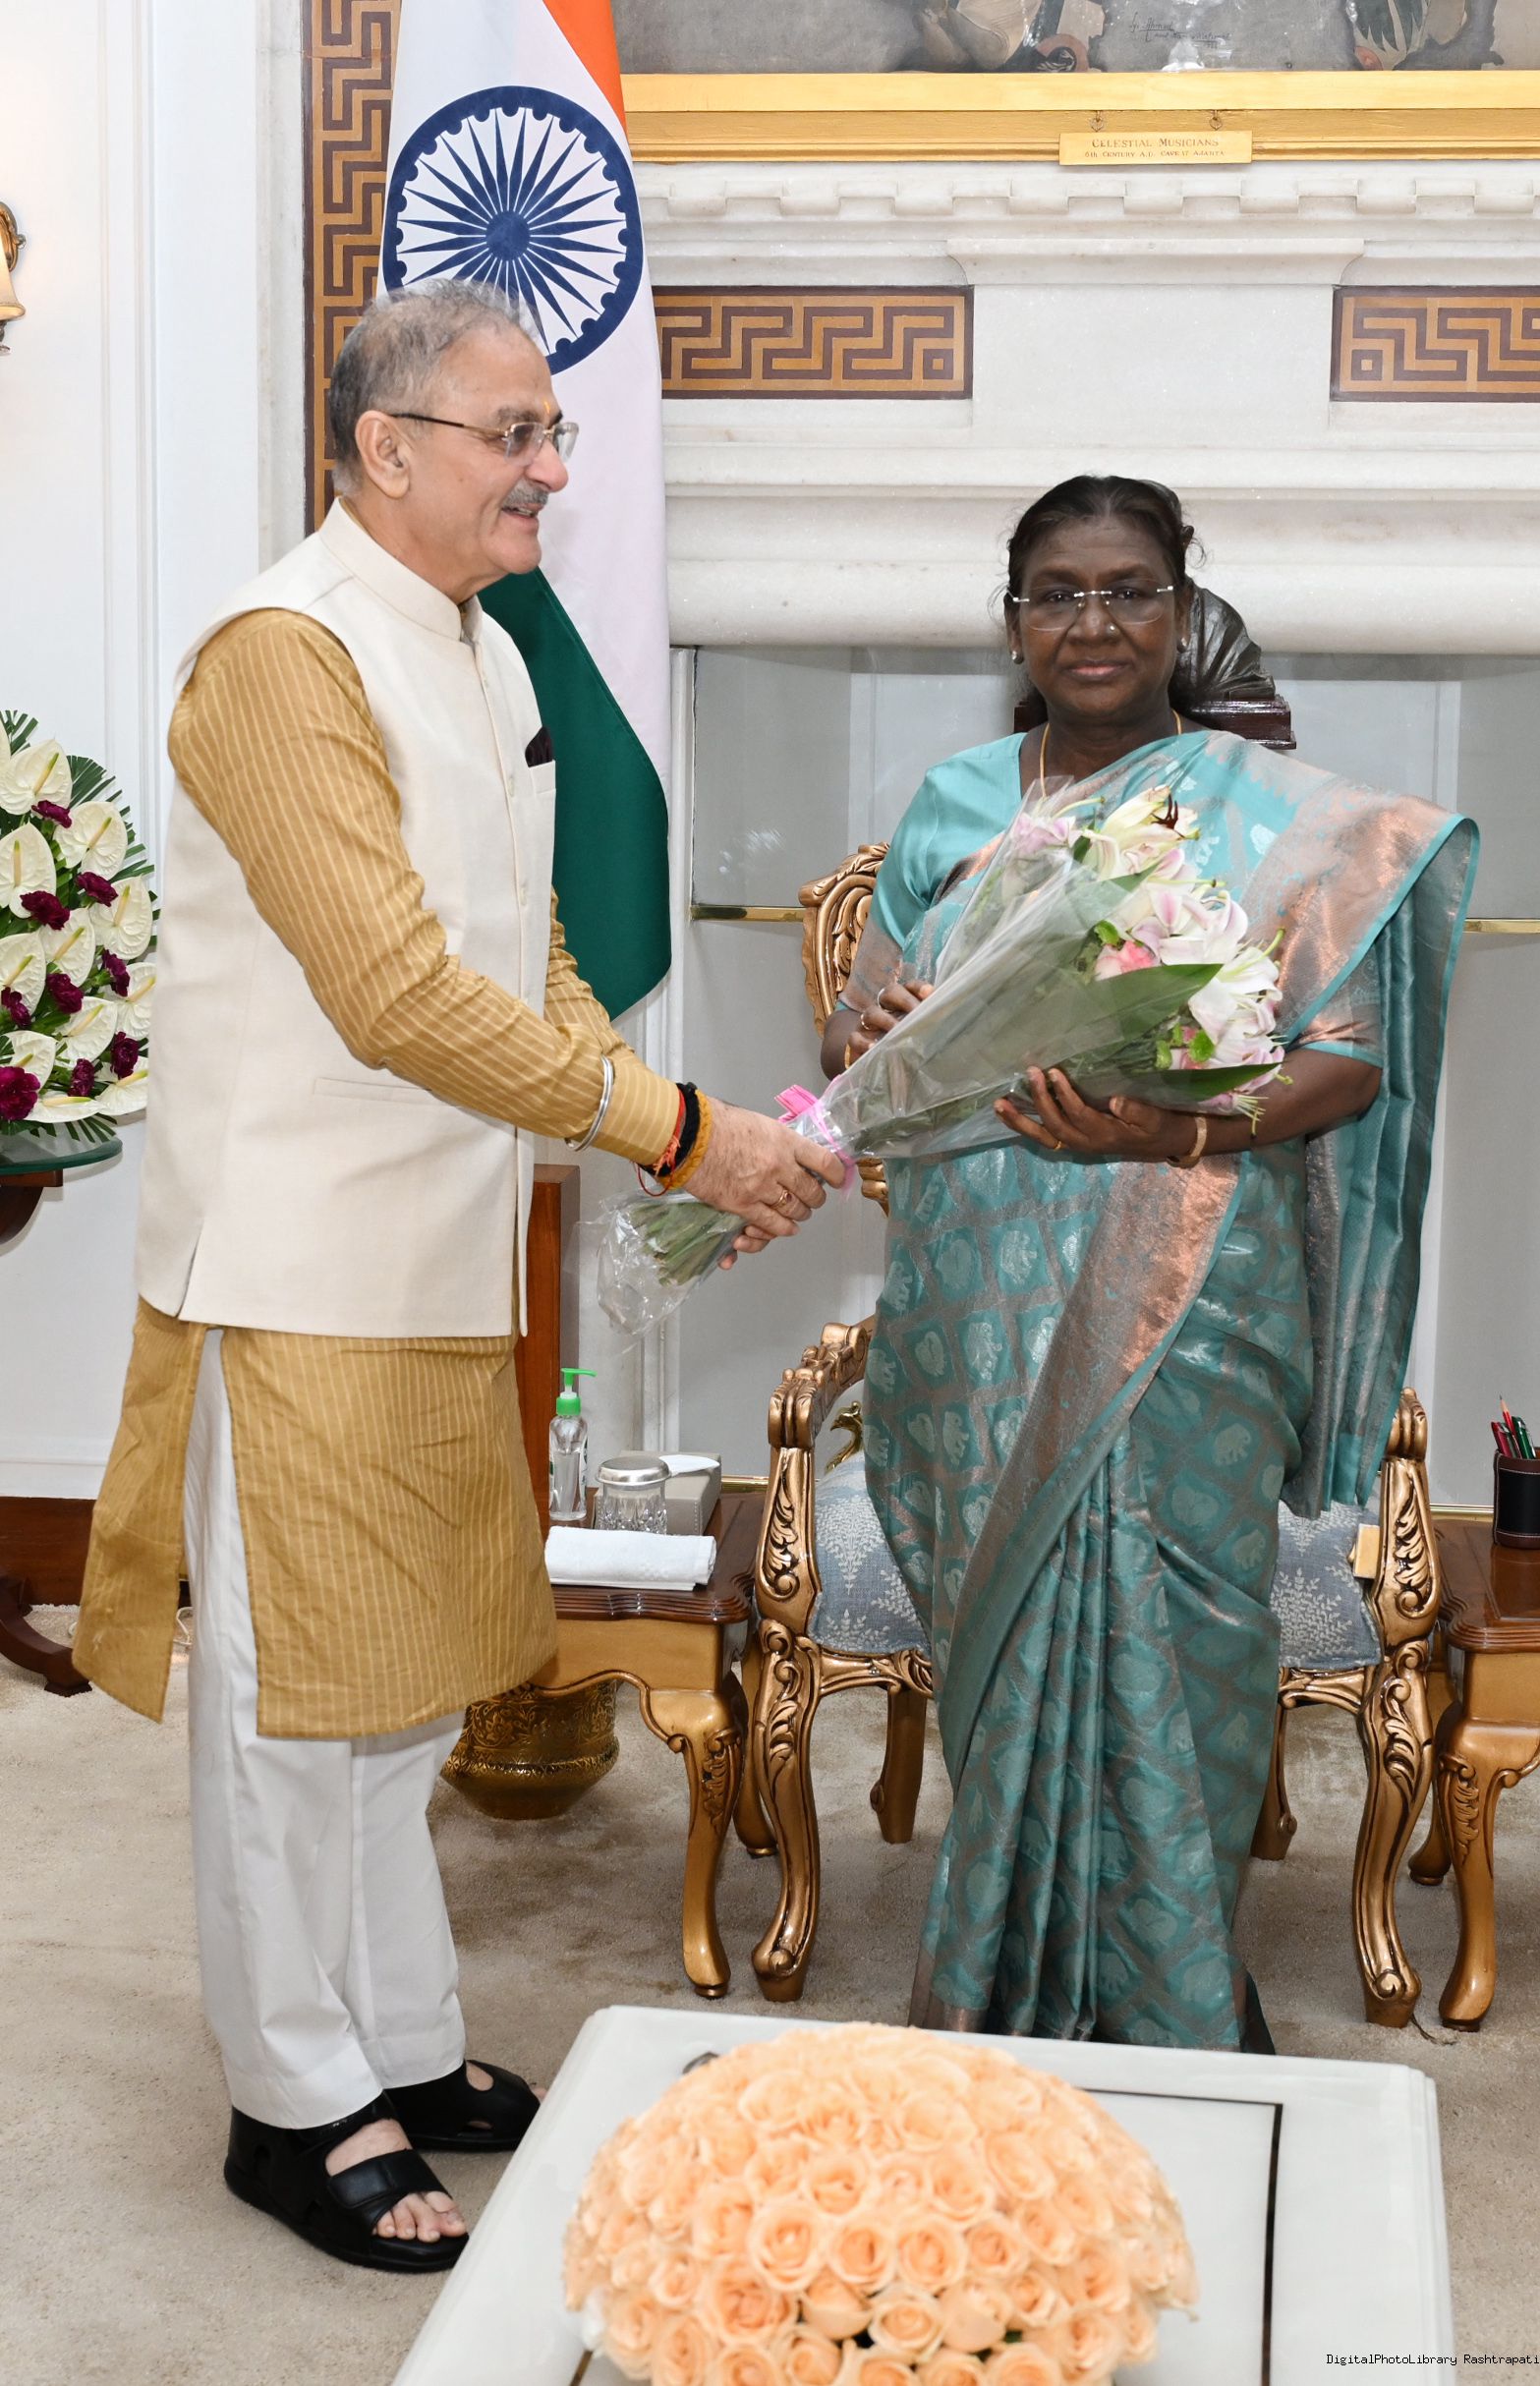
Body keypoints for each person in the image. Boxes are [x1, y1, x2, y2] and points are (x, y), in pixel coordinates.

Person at [73, 278, 843, 2271]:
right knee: (289, 1704)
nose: (551, 469)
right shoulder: (281, 656)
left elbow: (529, 951)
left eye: (554, 432)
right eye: (515, 433)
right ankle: (291, 2097)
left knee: (400, 1690)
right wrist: (677, 1130)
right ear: (383, 446)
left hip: (443, 1255)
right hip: (296, 1266)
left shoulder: (483, 647)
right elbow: (396, 991)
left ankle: (399, 2043)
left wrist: (666, 1122)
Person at [822, 474, 1474, 2051]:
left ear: (1179, 613)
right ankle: (997, 1981)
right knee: (1006, 1633)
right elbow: (860, 1044)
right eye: (1057, 592)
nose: (1092, 622)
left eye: (1127, 590)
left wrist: (1171, 1133)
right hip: (973, 1296)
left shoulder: (1277, 819)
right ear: (1013, 622)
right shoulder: (954, 804)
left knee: (1182, 1625)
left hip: (1192, 1280)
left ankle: (1176, 1987)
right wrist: (864, 1022)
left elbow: (1343, 1063)